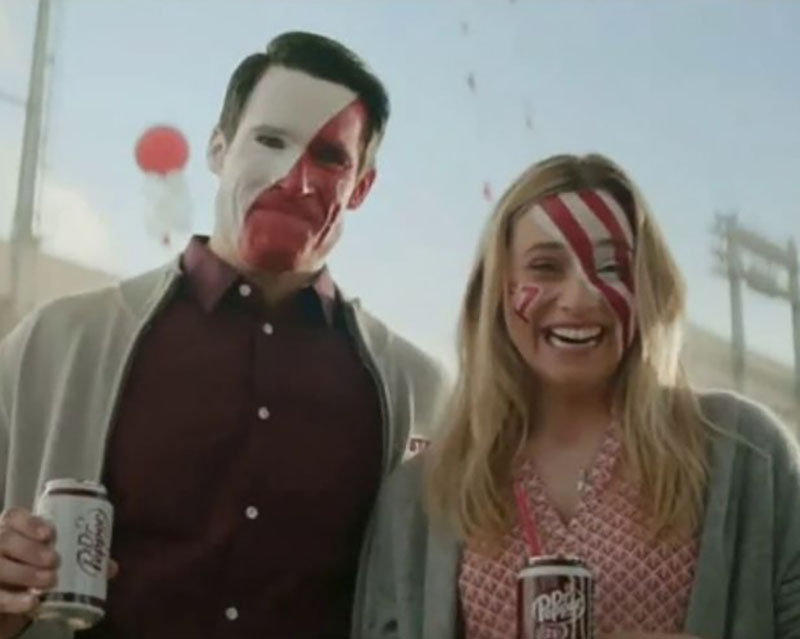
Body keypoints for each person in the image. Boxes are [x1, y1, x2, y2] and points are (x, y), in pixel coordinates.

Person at [0, 31, 448, 639]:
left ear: (361, 188)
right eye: (271, 141)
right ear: (218, 148)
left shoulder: (419, 394)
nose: (296, 179)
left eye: (330, 156)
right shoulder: (57, 345)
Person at [354, 153, 800, 639]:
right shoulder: (421, 496)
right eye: (545, 267)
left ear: (645, 286)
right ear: (498, 289)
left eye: (611, 267)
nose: (579, 298)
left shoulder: (747, 455)